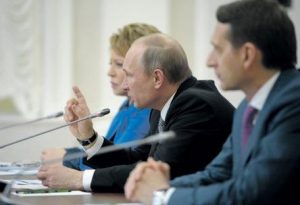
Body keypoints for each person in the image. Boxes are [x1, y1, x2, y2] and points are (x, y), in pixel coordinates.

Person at [124, 0, 300, 204]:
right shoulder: (247, 108)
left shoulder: (294, 104)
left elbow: (252, 194)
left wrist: (163, 196)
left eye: (218, 49)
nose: (210, 60)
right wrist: (158, 186)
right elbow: (216, 174)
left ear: (247, 54)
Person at [37, 33, 235, 193]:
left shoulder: (195, 105)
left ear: (157, 78)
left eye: (129, 75)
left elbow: (155, 173)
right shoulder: (164, 106)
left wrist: (78, 179)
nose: (124, 85)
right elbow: (137, 160)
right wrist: (88, 137)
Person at [39, 23, 160, 169]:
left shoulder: (146, 111)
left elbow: (115, 163)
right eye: (111, 63)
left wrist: (65, 157)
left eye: (119, 64)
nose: (110, 72)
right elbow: (104, 153)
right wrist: (80, 141)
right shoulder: (127, 105)